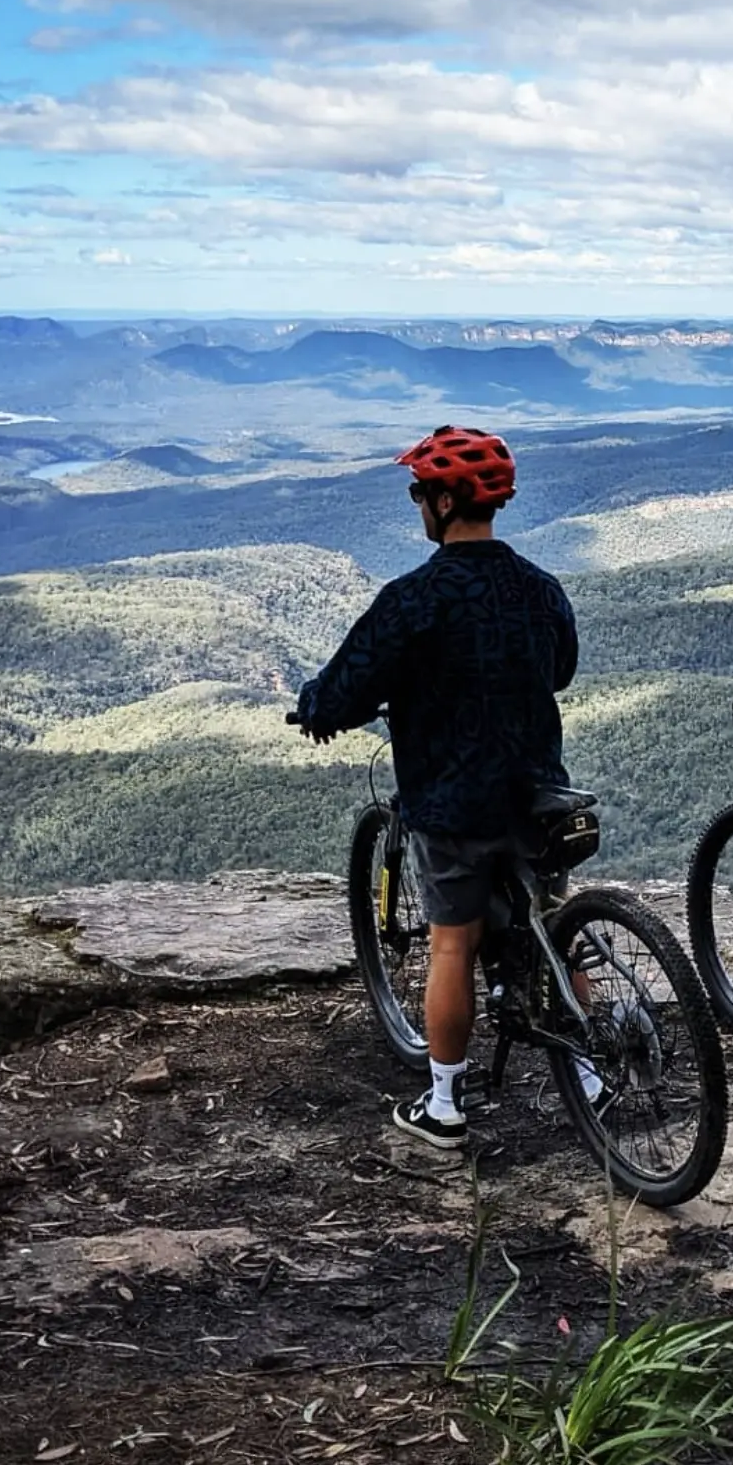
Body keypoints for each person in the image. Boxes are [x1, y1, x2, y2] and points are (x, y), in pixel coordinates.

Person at [295, 426, 578, 1151]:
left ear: (447, 500)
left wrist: (318, 709)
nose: (418, 503)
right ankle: (595, 1068)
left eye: (422, 492)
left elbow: (351, 682)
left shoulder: (416, 598)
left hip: (455, 800)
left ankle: (446, 1102)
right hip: (540, 790)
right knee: (553, 927)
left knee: (452, 941)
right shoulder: (539, 587)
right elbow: (561, 670)